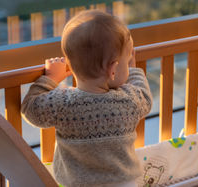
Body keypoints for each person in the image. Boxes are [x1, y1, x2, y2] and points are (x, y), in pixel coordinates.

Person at [21, 10, 153, 187]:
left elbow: (31, 109)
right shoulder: (128, 101)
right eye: (127, 61)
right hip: (124, 183)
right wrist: (134, 70)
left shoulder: (61, 102)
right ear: (112, 70)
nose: (129, 67)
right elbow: (144, 95)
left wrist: (50, 79)